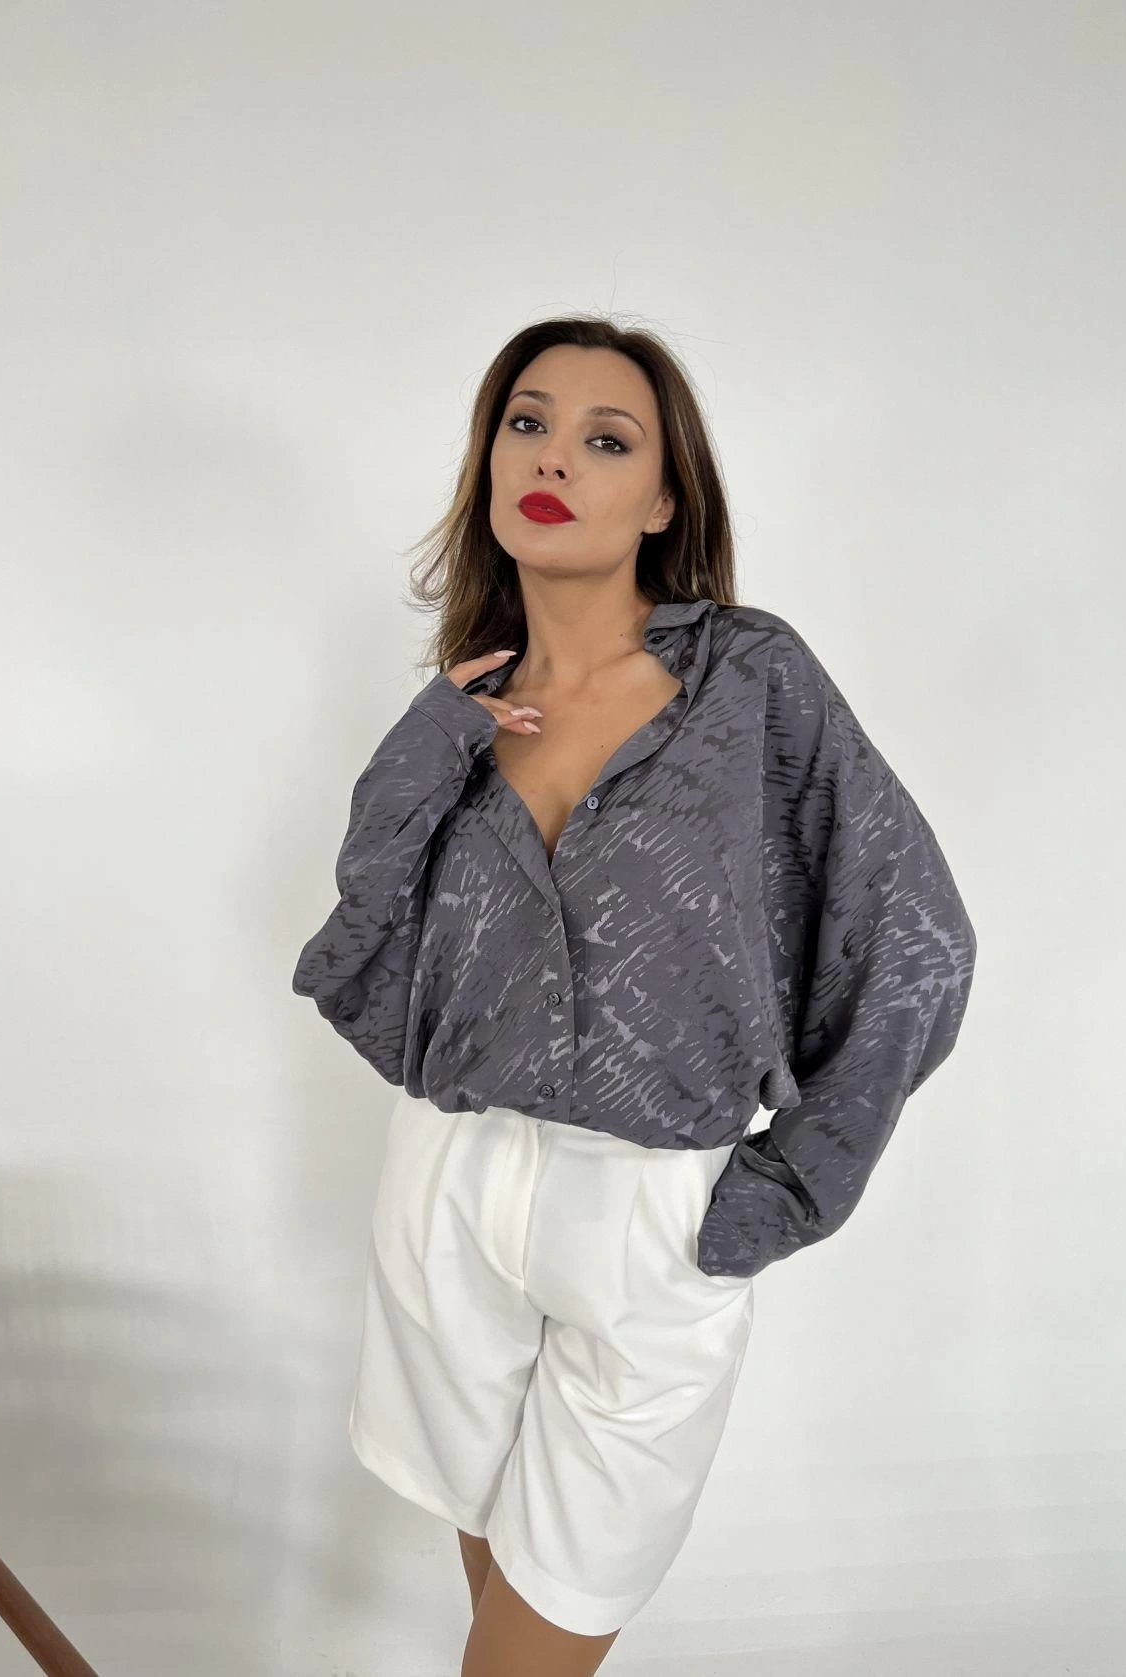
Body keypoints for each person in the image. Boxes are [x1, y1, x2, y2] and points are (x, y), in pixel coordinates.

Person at [292, 316, 977, 1677]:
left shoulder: (750, 681)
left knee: (546, 1627)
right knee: (498, 1625)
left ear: (665, 499)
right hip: (449, 1186)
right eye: (526, 423)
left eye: (606, 441)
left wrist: (795, 1181)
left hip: (654, 1216)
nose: (553, 458)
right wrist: (436, 735)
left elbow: (915, 938)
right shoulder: (466, 711)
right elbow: (364, 939)